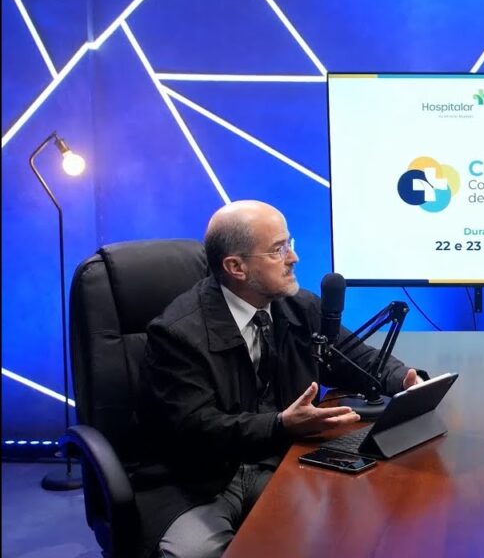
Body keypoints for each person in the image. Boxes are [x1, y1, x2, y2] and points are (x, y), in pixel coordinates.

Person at [140, 200, 426, 558]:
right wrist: (281, 424)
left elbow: (354, 356)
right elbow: (197, 428)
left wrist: (405, 380)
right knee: (196, 553)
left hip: (276, 459)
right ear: (236, 267)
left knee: (343, 531)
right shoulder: (177, 333)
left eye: (290, 244)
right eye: (278, 250)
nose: (294, 258)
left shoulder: (299, 306)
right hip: (197, 478)